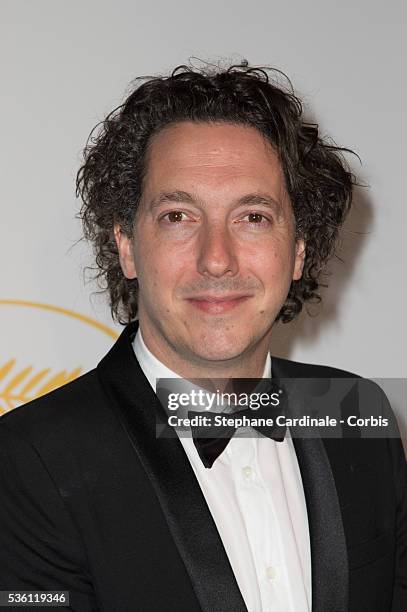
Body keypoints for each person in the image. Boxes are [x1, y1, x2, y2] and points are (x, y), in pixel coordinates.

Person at [0, 62, 405, 612]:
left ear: (299, 251)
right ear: (126, 245)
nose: (217, 258)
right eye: (178, 216)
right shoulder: (27, 460)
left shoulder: (357, 412)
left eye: (254, 217)